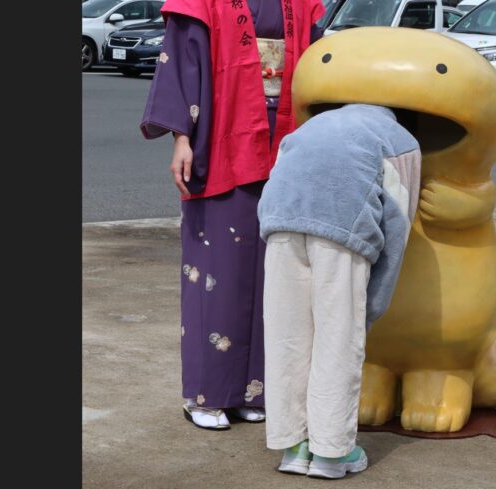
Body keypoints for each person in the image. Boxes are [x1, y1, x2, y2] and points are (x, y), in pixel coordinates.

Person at [139, 0, 326, 430]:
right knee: (218, 269)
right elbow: (182, 63)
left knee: (272, 272)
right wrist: (181, 140)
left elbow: (319, 67)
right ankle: (205, 395)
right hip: (222, 137)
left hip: (285, 139)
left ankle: (251, 390)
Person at [257, 103, 422, 478]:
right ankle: (332, 454)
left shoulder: (310, 127)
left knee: (288, 338)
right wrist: (372, 306)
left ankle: (293, 448)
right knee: (337, 341)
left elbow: (278, 175)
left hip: (279, 223)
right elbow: (397, 222)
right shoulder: (402, 141)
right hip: (343, 232)